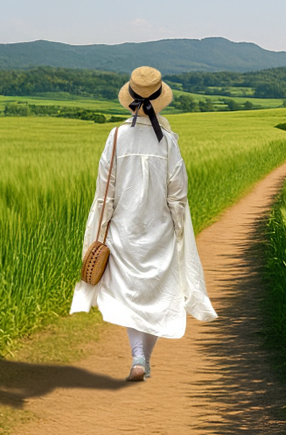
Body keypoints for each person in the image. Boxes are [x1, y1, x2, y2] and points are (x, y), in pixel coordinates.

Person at [70, 66, 217, 381]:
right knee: (158, 293)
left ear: (130, 99)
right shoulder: (167, 141)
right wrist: (179, 229)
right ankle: (143, 359)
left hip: (124, 229)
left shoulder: (116, 136)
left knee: (132, 293)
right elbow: (178, 193)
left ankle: (137, 356)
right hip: (159, 228)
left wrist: (99, 231)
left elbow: (104, 193)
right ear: (159, 99)